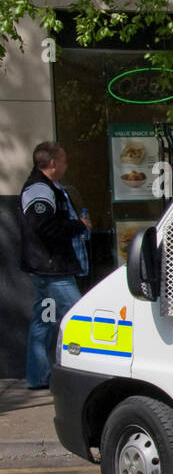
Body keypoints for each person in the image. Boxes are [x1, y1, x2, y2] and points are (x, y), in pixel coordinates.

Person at [20, 141, 90, 389]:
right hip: (52, 271)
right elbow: (43, 226)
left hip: (46, 267)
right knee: (78, 317)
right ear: (53, 163)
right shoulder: (39, 189)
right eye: (64, 161)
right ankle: (85, 376)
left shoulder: (48, 187)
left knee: (46, 319)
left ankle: (38, 376)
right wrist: (78, 225)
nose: (66, 165)